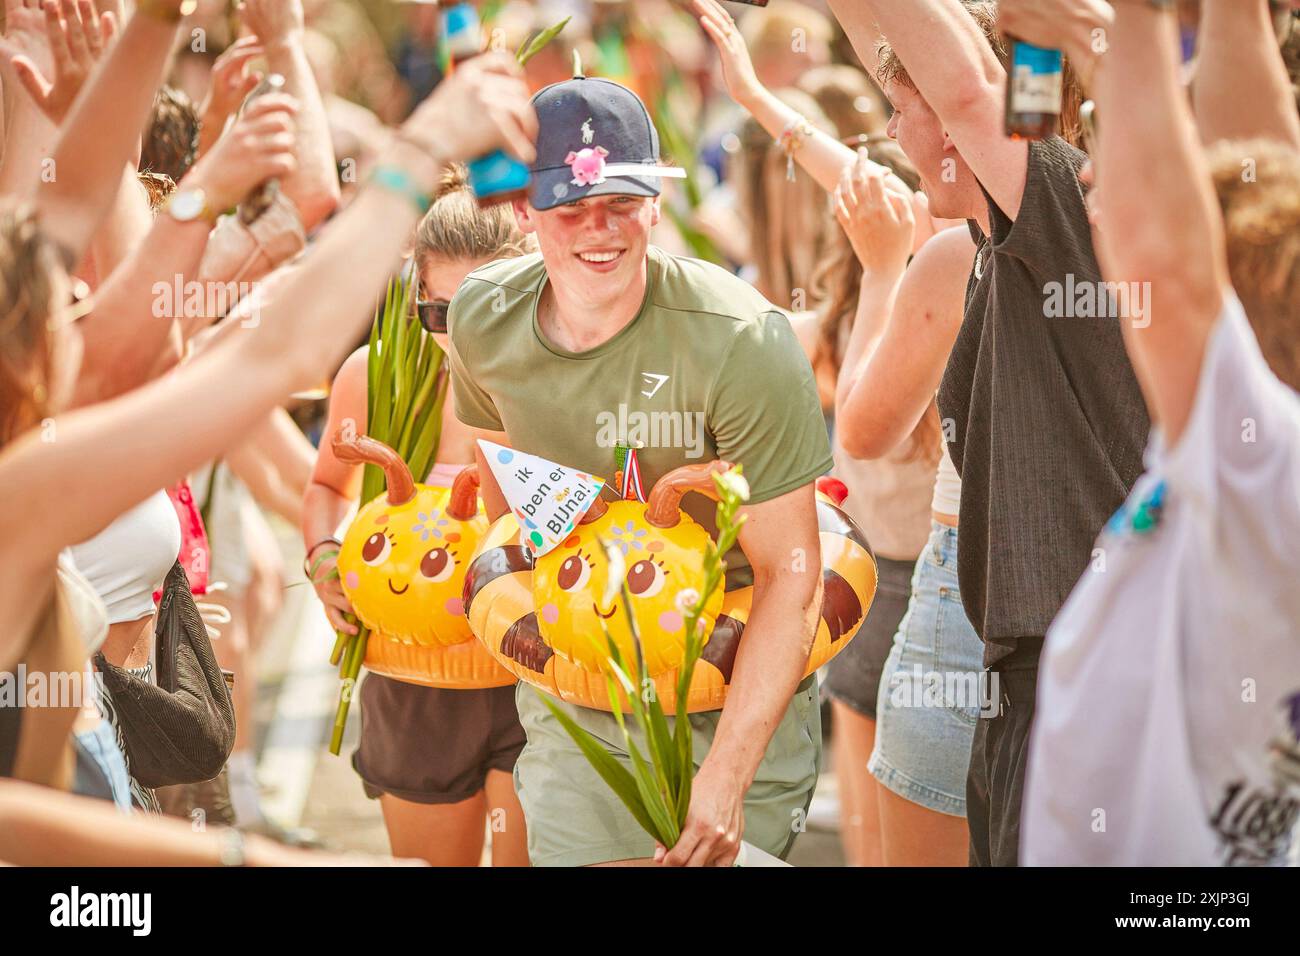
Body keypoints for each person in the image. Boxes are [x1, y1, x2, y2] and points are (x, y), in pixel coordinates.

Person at [0, 0, 536, 796]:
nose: (91, 302)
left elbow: (62, 213)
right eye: (68, 302)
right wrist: (420, 152)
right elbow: (271, 349)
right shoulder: (25, 489)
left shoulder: (33, 446)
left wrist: (149, 29)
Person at [447, 72, 832, 867]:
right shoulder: (481, 320)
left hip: (729, 687)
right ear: (522, 211)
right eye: (571, 207)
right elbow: (505, 499)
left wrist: (725, 776)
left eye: (622, 203)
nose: (601, 230)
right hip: (584, 692)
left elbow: (791, 574)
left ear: (656, 201)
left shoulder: (743, 341)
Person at [828, 0, 1151, 866]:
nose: (890, 128)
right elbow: (978, 88)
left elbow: (977, 92)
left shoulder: (1069, 219)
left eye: (905, 104)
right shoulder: (1005, 235)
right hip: (1044, 670)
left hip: (1077, 672)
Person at [1000, 0, 1300, 865]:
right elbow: (1257, 179)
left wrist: (1129, 23)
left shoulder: (1264, 470)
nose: (1092, 182)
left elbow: (1166, 261)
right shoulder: (1252, 454)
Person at [302, 166, 534, 866]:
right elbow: (326, 485)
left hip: (534, 675)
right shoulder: (371, 379)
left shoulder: (555, 384)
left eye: (484, 310)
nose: (458, 334)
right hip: (415, 680)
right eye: (440, 315)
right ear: (415, 298)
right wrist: (320, 557)